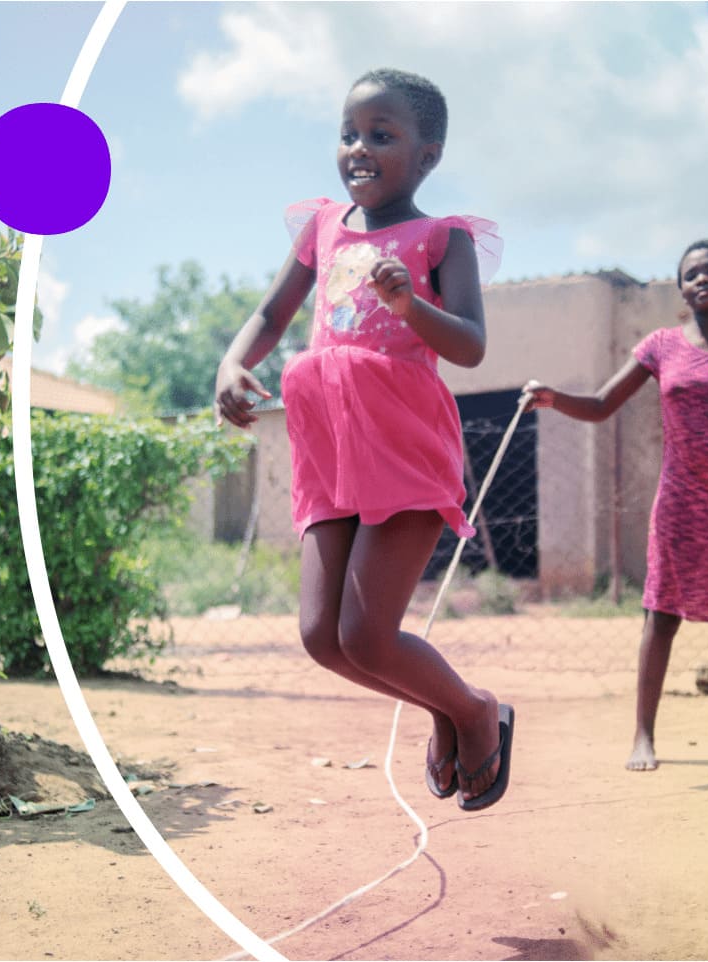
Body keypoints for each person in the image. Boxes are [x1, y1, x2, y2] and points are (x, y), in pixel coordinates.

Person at [215, 68, 514, 810]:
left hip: (402, 440)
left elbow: (472, 346)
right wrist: (231, 362)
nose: (358, 148)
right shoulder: (322, 227)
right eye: (349, 133)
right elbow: (272, 313)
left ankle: (476, 712)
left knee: (370, 636)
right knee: (323, 636)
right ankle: (443, 707)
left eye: (382, 135)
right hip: (331, 444)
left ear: (428, 155)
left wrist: (408, 303)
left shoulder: (442, 240)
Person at [525, 239, 708, 771]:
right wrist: (554, 397)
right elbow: (604, 404)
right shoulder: (660, 347)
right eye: (691, 274)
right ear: (681, 290)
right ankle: (643, 738)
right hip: (682, 502)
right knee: (662, 615)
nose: (702, 279)